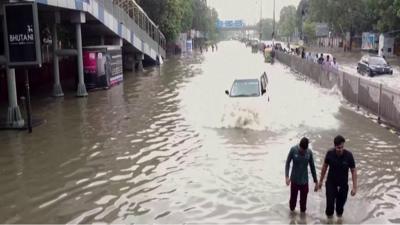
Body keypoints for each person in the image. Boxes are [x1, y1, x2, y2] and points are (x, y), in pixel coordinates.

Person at [318, 135, 357, 218]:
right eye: (338, 148)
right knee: (330, 207)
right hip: (331, 183)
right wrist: (320, 181)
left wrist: (354, 187)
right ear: (335, 146)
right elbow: (325, 167)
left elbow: (353, 170)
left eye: (342, 147)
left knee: (339, 209)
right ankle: (329, 221)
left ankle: (339, 221)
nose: (341, 149)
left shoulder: (349, 155)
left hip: (343, 184)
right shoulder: (330, 153)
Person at [285, 137, 318, 213]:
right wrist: (287, 177)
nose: (302, 152)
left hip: (304, 181)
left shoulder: (309, 152)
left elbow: (312, 167)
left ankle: (302, 220)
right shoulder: (293, 150)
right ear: (299, 146)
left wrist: (316, 181)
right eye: (301, 150)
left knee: (303, 206)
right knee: (292, 205)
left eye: (304, 151)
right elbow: (287, 163)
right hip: (294, 180)